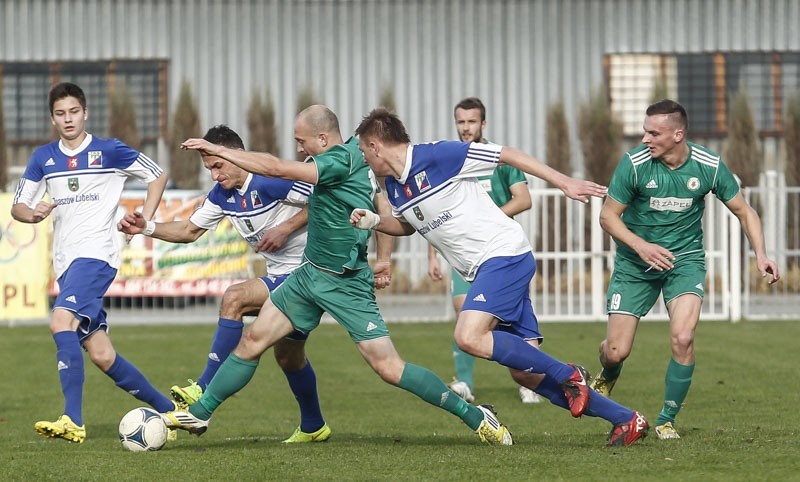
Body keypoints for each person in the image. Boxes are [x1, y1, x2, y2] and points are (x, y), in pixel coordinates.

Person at [164, 105, 514, 445]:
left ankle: (477, 416)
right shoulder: (353, 153)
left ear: (322, 137)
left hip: (344, 283)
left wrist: (215, 148)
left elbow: (274, 168)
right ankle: (201, 411)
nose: (299, 149)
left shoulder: (337, 160)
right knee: (254, 340)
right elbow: (381, 201)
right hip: (308, 274)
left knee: (389, 368)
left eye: (302, 142)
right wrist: (385, 257)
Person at [351, 108, 649, 447]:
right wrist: (374, 221)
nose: (363, 158)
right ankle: (626, 419)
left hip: (503, 255)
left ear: (375, 146)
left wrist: (564, 181)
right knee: (527, 374)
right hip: (485, 269)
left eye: (362, 151)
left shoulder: (437, 155)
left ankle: (569, 373)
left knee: (468, 335)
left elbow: (508, 154)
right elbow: (408, 225)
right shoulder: (393, 186)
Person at [117, 124, 330, 443]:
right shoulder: (221, 195)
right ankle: (314, 427)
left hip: (310, 272)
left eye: (218, 165)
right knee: (289, 357)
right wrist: (146, 227)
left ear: (237, 156)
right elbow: (189, 231)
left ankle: (203, 387)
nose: (214, 175)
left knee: (235, 297)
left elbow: (326, 199)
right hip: (283, 277)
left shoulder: (272, 181)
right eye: (209, 169)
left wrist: (286, 227)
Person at [589, 99, 781, 440]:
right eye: (645, 131)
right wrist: (642, 247)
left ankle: (666, 419)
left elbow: (745, 211)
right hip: (635, 263)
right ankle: (608, 370)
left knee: (683, 337)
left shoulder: (707, 165)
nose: (645, 138)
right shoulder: (634, 165)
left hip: (684, 261)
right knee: (617, 350)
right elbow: (608, 216)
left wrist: (761, 254)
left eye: (654, 132)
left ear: (678, 134)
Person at [10, 82, 172, 444]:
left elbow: (157, 174)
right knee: (101, 354)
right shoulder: (43, 158)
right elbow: (18, 205)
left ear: (85, 113)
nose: (68, 119)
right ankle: (170, 413)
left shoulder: (109, 150)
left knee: (59, 320)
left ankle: (73, 419)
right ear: (52, 119)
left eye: (73, 112)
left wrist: (144, 220)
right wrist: (32, 214)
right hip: (67, 264)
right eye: (60, 114)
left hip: (98, 254)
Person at [427, 97, 540, 405]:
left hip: (501, 253)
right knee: (464, 313)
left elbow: (524, 199)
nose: (466, 128)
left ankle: (530, 379)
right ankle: (465, 382)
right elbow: (436, 212)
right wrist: (432, 255)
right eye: (461, 122)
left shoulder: (496, 158)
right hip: (464, 257)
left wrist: (487, 220)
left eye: (471, 122)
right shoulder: (449, 160)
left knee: (507, 321)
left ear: (483, 124)